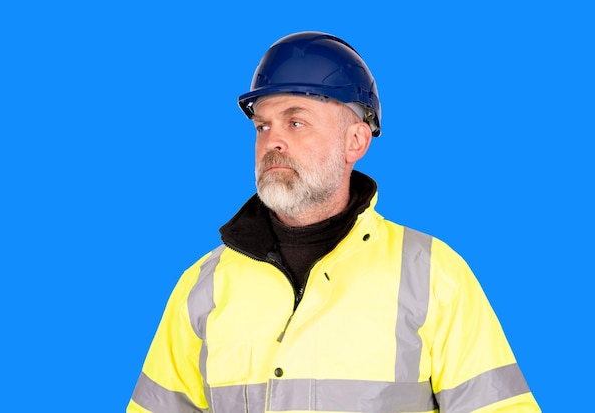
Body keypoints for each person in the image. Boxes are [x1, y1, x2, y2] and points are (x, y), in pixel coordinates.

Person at [127, 31, 540, 412]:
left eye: (296, 121)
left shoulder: (431, 275)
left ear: (355, 141)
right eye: (262, 125)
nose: (273, 140)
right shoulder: (204, 285)